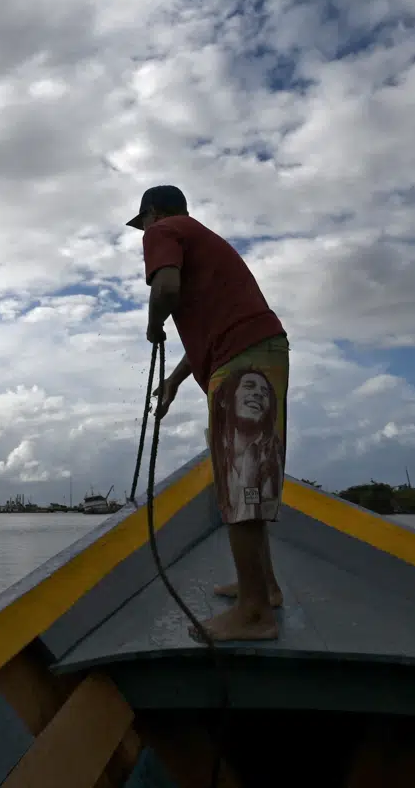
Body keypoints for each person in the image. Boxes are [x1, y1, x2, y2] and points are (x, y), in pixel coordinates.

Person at [125, 185, 289, 642]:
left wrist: (154, 323)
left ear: (152, 213)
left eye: (144, 223)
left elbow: (167, 286)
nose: (145, 231)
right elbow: (208, 325)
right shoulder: (201, 237)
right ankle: (265, 588)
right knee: (249, 475)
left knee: (240, 478)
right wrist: (176, 381)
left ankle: (254, 614)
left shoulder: (164, 231)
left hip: (244, 358)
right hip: (254, 352)